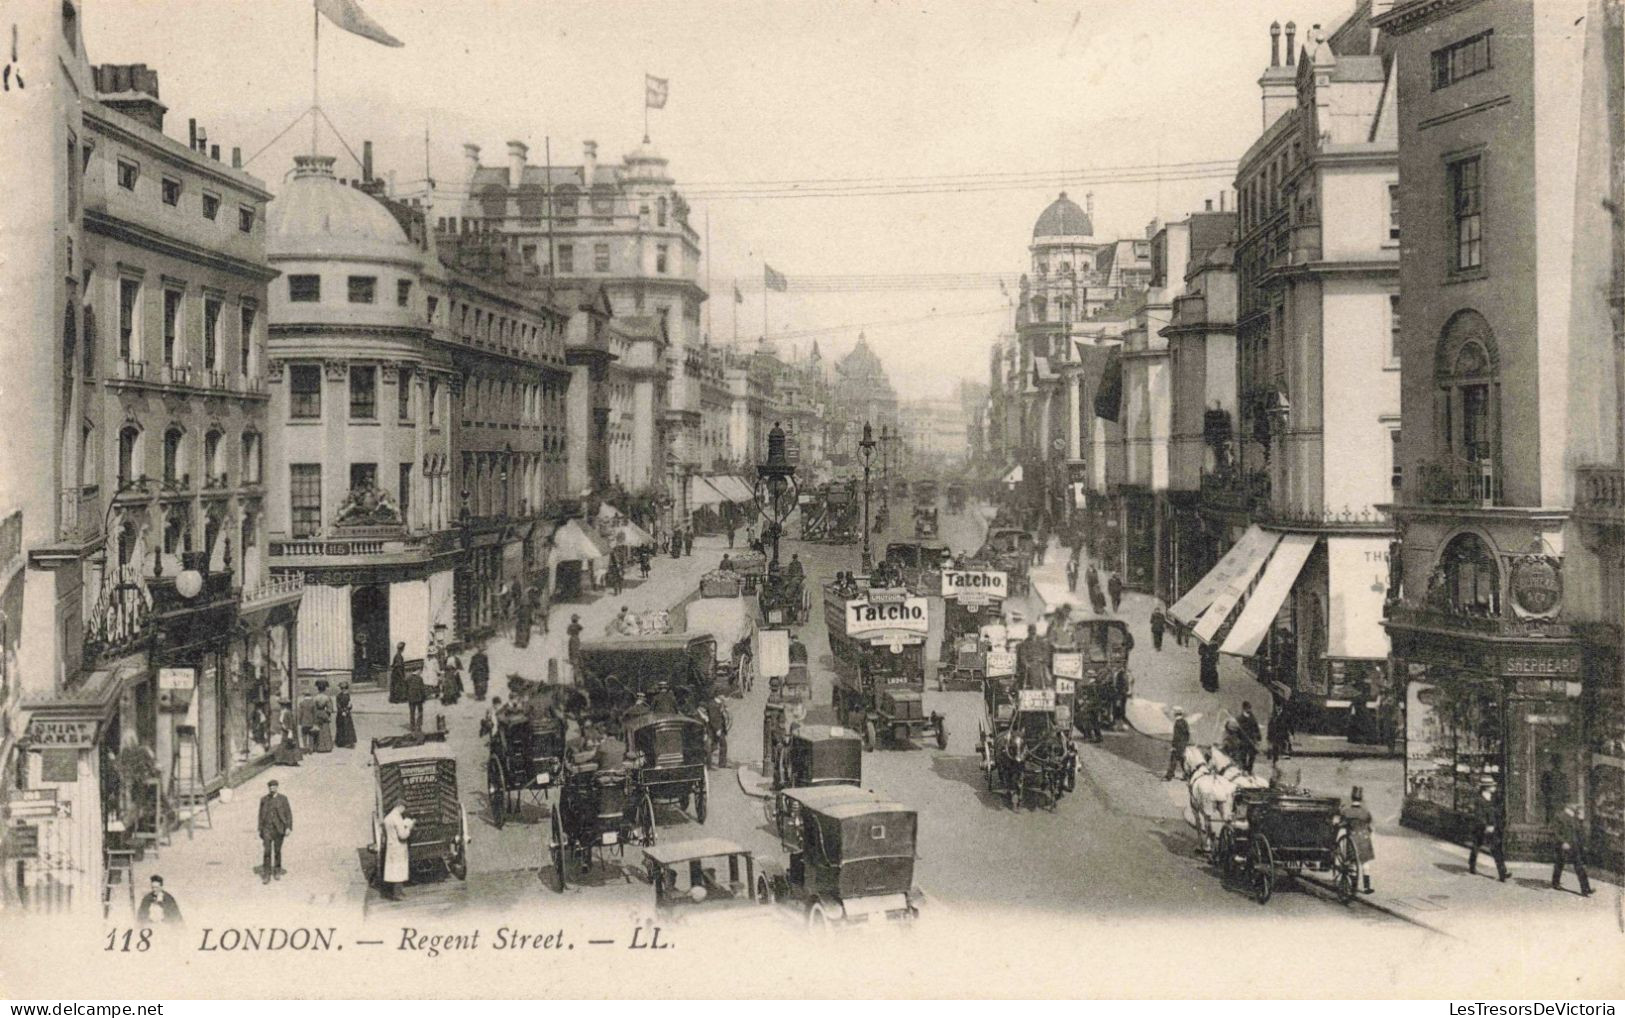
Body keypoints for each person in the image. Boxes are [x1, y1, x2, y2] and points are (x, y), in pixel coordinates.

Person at [1467, 776, 1509, 881]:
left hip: (1493, 826)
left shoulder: (1493, 798)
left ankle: (1502, 872)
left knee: (1496, 848)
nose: (1494, 787)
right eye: (1492, 786)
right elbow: (1479, 815)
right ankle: (1472, 865)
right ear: (1486, 787)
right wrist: (1486, 825)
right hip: (1482, 827)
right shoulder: (1479, 800)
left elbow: (1496, 812)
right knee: (1477, 846)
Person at [1552, 802, 1593, 895]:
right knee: (1559, 864)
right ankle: (1555, 882)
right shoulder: (1559, 816)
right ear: (1568, 805)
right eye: (1575, 805)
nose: (1577, 807)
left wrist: (1581, 820)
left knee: (1579, 866)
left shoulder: (1575, 818)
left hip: (1574, 845)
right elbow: (1555, 832)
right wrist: (1563, 842)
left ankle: (1585, 888)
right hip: (1564, 845)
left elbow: (1579, 831)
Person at [257, 779, 293, 884]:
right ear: (268, 788)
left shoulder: (283, 799)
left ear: (277, 787)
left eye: (274, 786)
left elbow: (288, 814)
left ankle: (277, 871)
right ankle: (266, 874)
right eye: (270, 787)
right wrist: (260, 828)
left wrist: (288, 827)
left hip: (279, 829)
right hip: (267, 829)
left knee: (277, 851)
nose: (272, 788)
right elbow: (260, 815)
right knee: (267, 851)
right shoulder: (264, 799)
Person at [1343, 786, 1375, 894]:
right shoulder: (1365, 812)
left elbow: (1342, 823)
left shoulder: (1347, 811)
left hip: (1353, 837)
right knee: (1365, 863)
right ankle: (1367, 887)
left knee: (1352, 863)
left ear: (1352, 799)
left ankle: (1353, 886)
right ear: (1361, 799)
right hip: (1364, 838)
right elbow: (1369, 823)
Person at [380, 800, 415, 900]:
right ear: (400, 806)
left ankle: (397, 893)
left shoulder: (388, 818)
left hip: (391, 847)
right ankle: (398, 894)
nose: (404, 810)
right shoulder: (397, 818)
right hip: (399, 847)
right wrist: (409, 827)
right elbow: (403, 835)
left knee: (394, 870)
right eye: (404, 807)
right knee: (399, 870)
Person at [273, 699, 302, 766]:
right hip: (285, 731)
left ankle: (288, 760)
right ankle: (284, 760)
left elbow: (290, 723)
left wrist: (289, 731)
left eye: (282, 705)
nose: (281, 706)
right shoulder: (284, 712)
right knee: (285, 745)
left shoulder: (287, 712)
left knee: (289, 745)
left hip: (288, 731)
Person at [1164, 707, 1190, 781]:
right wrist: (1185, 744)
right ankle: (1187, 775)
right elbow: (1187, 734)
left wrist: (1174, 746)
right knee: (1182, 761)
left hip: (1178, 745)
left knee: (1173, 760)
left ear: (1175, 714)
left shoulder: (1177, 723)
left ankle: (1169, 776)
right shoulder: (1184, 722)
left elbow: (1176, 736)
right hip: (1183, 745)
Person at [1237, 701, 1261, 774]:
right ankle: (1244, 769)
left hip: (1252, 740)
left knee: (1252, 755)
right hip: (1243, 740)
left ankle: (1249, 770)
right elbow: (1237, 730)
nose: (1249, 710)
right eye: (1248, 708)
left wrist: (1258, 737)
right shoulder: (1239, 719)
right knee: (1243, 755)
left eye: (1250, 708)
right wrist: (1239, 738)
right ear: (1244, 709)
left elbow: (1256, 728)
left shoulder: (1252, 717)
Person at [311, 681, 335, 753]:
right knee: (325, 730)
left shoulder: (315, 698)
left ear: (318, 689)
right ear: (324, 689)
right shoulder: (327, 697)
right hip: (324, 714)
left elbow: (313, 708)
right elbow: (330, 709)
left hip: (317, 714)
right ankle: (327, 747)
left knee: (318, 730)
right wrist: (328, 714)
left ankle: (318, 747)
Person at [334, 683, 357, 749]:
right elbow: (338, 705)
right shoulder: (339, 696)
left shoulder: (347, 695)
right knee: (342, 727)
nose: (343, 690)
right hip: (342, 714)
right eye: (342, 689)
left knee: (347, 727)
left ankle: (348, 742)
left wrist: (347, 710)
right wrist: (343, 711)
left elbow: (350, 704)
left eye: (344, 688)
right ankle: (342, 742)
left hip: (345, 713)